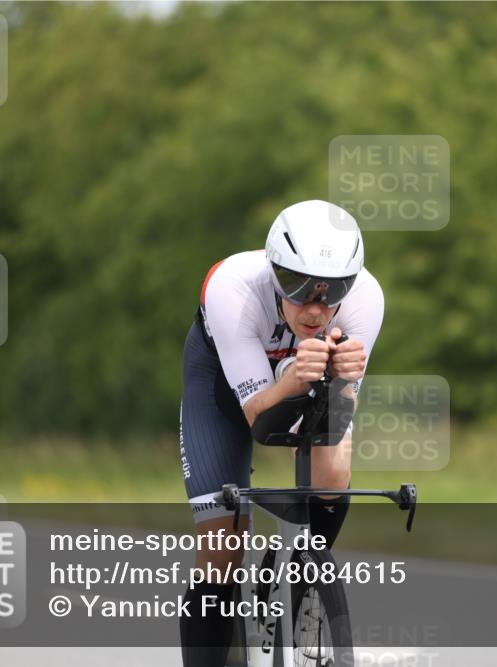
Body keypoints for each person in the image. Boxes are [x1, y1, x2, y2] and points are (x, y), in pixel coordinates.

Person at [179, 200, 384, 666]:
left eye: (332, 293)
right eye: (297, 288)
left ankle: (307, 584)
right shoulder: (232, 287)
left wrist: (341, 381)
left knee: (331, 472)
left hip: (303, 376)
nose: (315, 309)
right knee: (222, 547)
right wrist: (291, 381)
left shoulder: (367, 298)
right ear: (274, 271)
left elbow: (334, 422)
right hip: (225, 387)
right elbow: (262, 424)